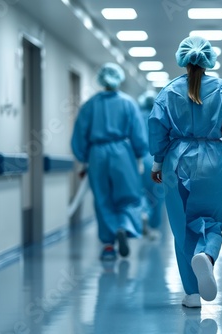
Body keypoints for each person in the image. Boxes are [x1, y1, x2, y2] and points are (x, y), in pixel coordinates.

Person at [148, 36, 222, 308]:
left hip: (176, 162)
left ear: (183, 59)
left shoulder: (168, 92)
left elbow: (158, 129)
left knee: (182, 228)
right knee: (213, 221)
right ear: (208, 60)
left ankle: (192, 294)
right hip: (215, 160)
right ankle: (207, 254)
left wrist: (158, 163)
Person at [71, 63, 148, 261]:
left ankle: (107, 245)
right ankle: (123, 226)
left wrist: (84, 160)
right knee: (129, 197)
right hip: (123, 153)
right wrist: (139, 155)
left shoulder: (89, 105)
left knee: (102, 199)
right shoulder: (128, 103)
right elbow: (138, 136)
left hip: (97, 154)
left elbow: (79, 137)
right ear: (119, 79)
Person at [138, 90, 164, 240]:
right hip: (157, 161)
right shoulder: (159, 117)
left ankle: (143, 212)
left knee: (140, 193)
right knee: (156, 195)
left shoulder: (137, 116)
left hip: (139, 161)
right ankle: (153, 228)